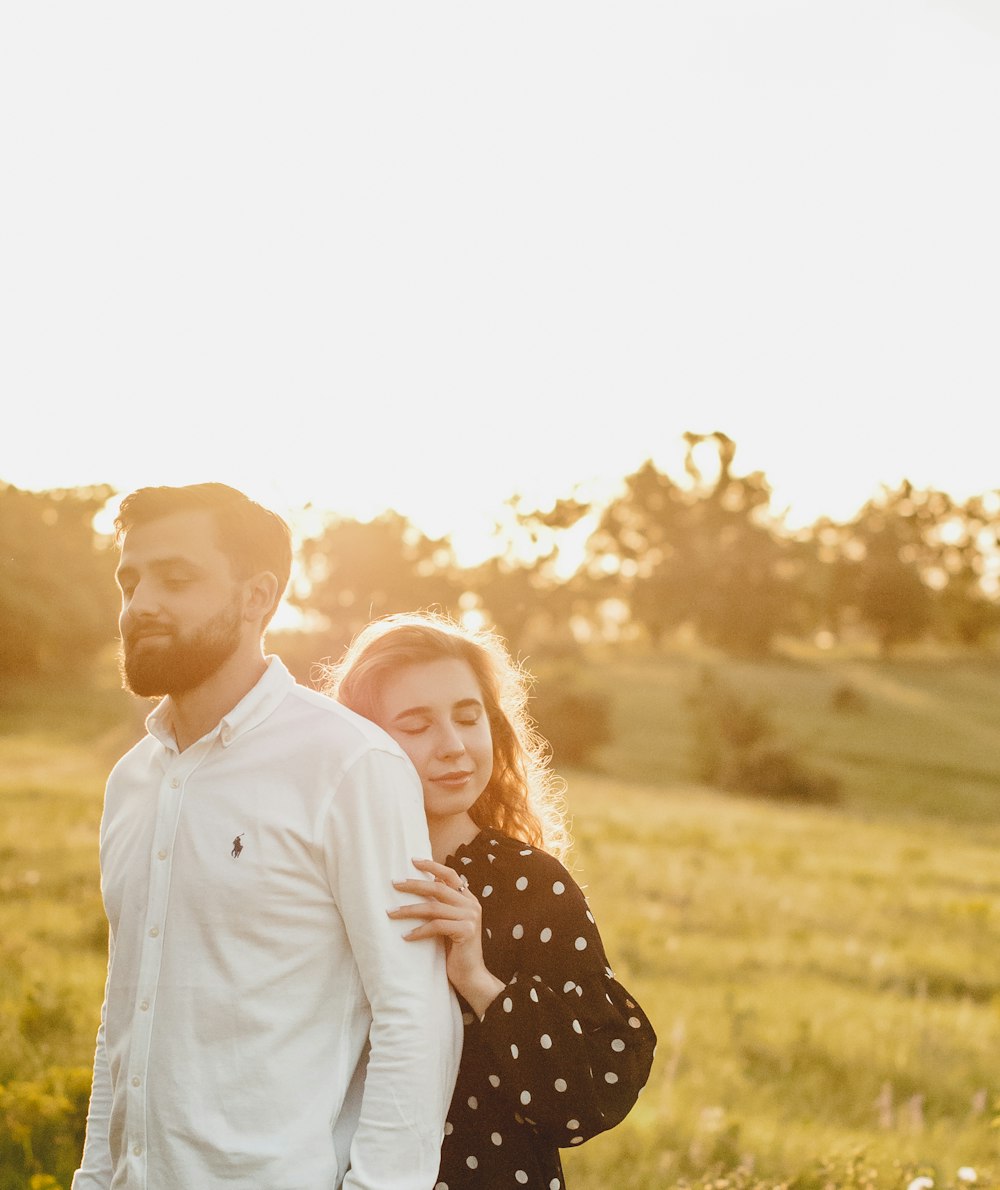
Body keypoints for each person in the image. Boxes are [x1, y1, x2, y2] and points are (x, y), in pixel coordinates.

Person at [73, 483, 461, 1190]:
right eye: (130, 580)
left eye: (177, 578)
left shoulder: (350, 764)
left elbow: (416, 1015)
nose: (141, 603)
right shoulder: (132, 782)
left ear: (258, 597)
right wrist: (95, 1176)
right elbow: (127, 1014)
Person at [326, 611, 656, 1190]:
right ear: (365, 740)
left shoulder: (533, 886)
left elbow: (595, 1091)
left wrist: (479, 982)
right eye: (417, 724)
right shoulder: (323, 877)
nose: (452, 746)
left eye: (467, 717)